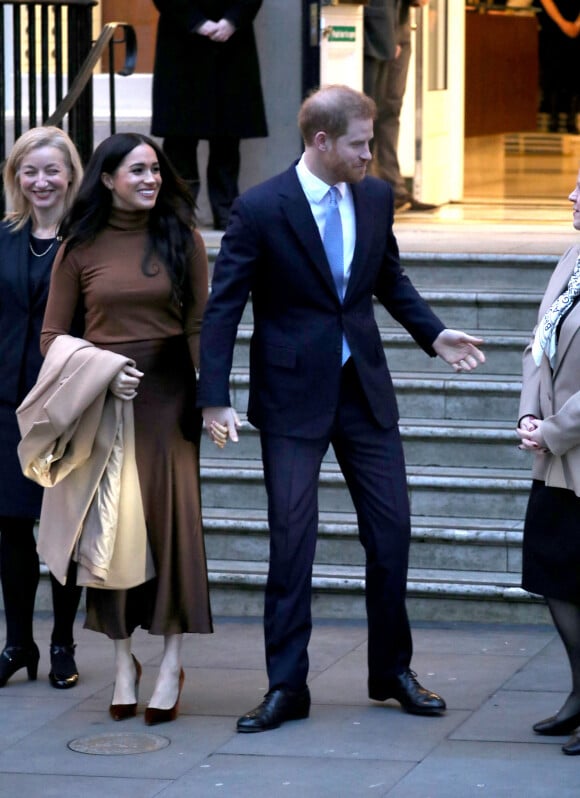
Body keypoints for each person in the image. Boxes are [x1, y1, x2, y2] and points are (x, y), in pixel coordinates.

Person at [197, 84, 485, 733]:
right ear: (321, 141)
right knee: (291, 543)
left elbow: (387, 278)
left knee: (391, 534)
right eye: (359, 143)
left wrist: (433, 334)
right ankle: (286, 685)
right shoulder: (261, 206)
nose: (369, 153)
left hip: (364, 395)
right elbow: (224, 306)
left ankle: (390, 671)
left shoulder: (376, 196)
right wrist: (214, 396)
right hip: (293, 397)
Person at [39, 132, 212, 724]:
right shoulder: (78, 247)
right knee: (110, 536)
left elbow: (200, 327)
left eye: (156, 170)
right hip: (106, 407)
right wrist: (105, 372)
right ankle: (122, 662)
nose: (151, 179)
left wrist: (213, 400)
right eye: (137, 170)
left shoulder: (181, 236)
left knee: (170, 529)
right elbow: (52, 337)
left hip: (169, 402)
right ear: (107, 178)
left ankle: (169, 662)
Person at [0, 127, 84, 690]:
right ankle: (18, 642)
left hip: (65, 401)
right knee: (10, 525)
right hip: (6, 398)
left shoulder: (89, 238)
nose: (41, 181)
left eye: (51, 170)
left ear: (72, 176)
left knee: (63, 529)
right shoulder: (4, 234)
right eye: (30, 171)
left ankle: (61, 643)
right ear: (16, 178)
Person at [517, 168, 580, 756]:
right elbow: (540, 340)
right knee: (552, 571)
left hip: (572, 448)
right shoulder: (572, 255)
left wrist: (553, 431)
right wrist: (527, 416)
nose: (572, 195)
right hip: (556, 456)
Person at [151, 0, 268, 230]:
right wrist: (196, 22)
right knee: (179, 141)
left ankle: (225, 211)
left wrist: (232, 21)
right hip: (181, 42)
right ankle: (179, 209)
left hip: (230, 46)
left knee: (227, 139)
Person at [363, 0, 436, 212]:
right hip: (379, 23)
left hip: (400, 23)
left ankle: (393, 187)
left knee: (391, 108)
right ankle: (367, 185)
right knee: (370, 109)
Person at [536, 0, 580, 133]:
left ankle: (572, 120)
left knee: (576, 71)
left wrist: (577, 25)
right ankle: (552, 119)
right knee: (552, 70)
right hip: (552, 24)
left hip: (576, 24)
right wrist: (561, 22)